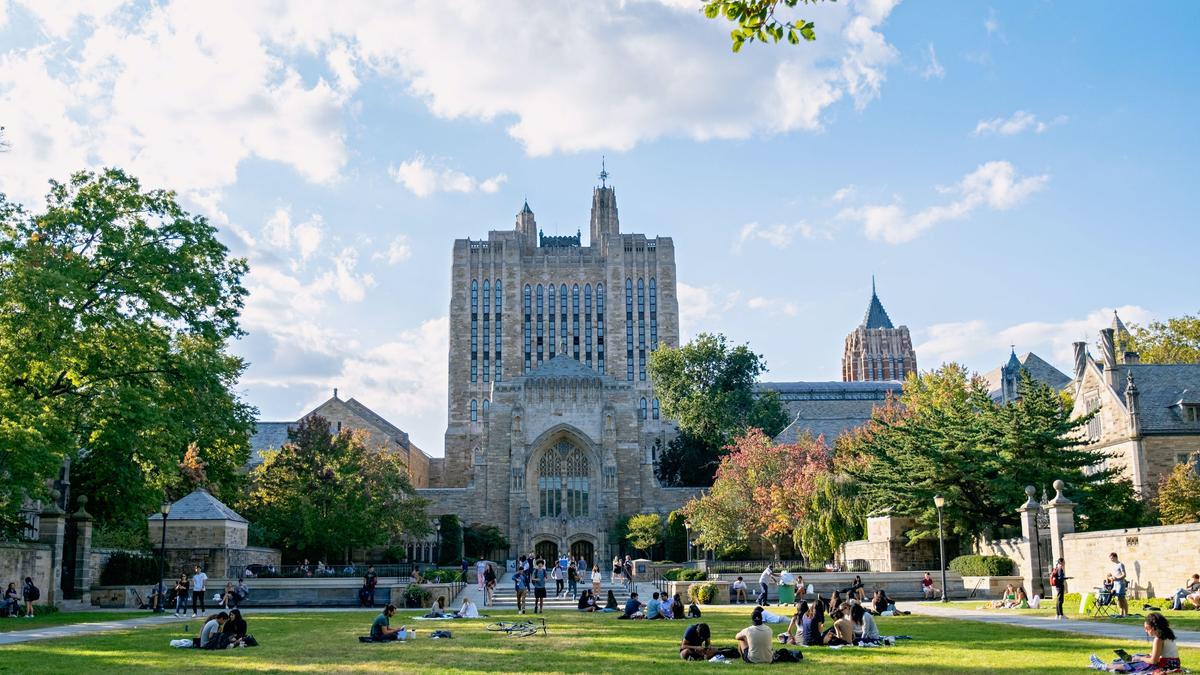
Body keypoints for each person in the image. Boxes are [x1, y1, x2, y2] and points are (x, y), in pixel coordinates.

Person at [1089, 612, 1180, 672]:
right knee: (1137, 657)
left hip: (1165, 665)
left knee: (1137, 665)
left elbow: (1154, 661)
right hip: (1173, 663)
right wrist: (1144, 656)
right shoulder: (1167, 634)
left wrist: (1141, 659)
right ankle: (1107, 665)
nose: (1146, 631)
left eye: (1147, 628)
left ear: (1153, 627)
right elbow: (1158, 654)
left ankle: (1103, 666)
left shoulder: (1158, 639)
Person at [1110, 552, 1130, 618]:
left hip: (1120, 583)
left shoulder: (1121, 564)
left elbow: (1124, 575)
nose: (1111, 560)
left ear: (1115, 557)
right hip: (1115, 584)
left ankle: (1126, 613)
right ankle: (1121, 613)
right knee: (1118, 599)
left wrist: (1117, 578)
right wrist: (1112, 578)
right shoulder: (1113, 565)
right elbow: (1114, 574)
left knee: (1122, 598)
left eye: (1112, 558)